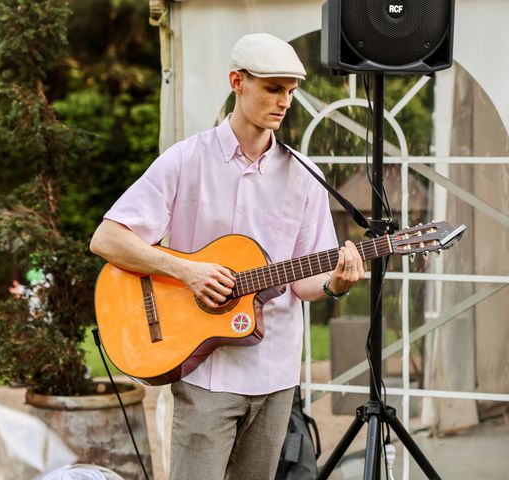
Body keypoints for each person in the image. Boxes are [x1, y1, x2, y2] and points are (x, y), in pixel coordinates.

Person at [89, 32, 365, 480]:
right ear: (237, 81)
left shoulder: (304, 175)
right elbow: (107, 238)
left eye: (290, 92)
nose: (284, 102)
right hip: (205, 373)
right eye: (273, 89)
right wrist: (187, 271)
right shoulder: (184, 160)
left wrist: (336, 283)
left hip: (275, 373)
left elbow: (302, 282)